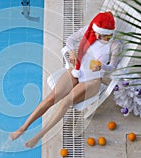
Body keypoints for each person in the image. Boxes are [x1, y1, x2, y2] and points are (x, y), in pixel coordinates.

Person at [9, 11, 122, 148]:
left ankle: (39, 136)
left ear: (108, 33)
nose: (96, 36)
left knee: (65, 102)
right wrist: (72, 51)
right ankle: (23, 128)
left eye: (100, 34)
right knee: (51, 98)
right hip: (77, 71)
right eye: (96, 32)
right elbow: (70, 40)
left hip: (92, 81)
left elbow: (112, 67)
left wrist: (101, 66)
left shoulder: (115, 45)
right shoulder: (90, 29)